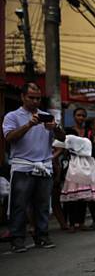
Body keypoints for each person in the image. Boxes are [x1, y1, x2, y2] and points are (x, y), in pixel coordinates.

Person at [3, 82, 66, 252]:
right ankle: (17, 239)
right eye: (31, 97)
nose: (35, 101)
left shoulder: (47, 116)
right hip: (23, 167)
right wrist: (29, 125)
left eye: (38, 98)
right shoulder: (12, 116)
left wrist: (56, 127)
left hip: (44, 166)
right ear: (23, 97)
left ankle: (42, 236)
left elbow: (62, 138)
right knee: (19, 204)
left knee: (43, 204)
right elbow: (9, 138)